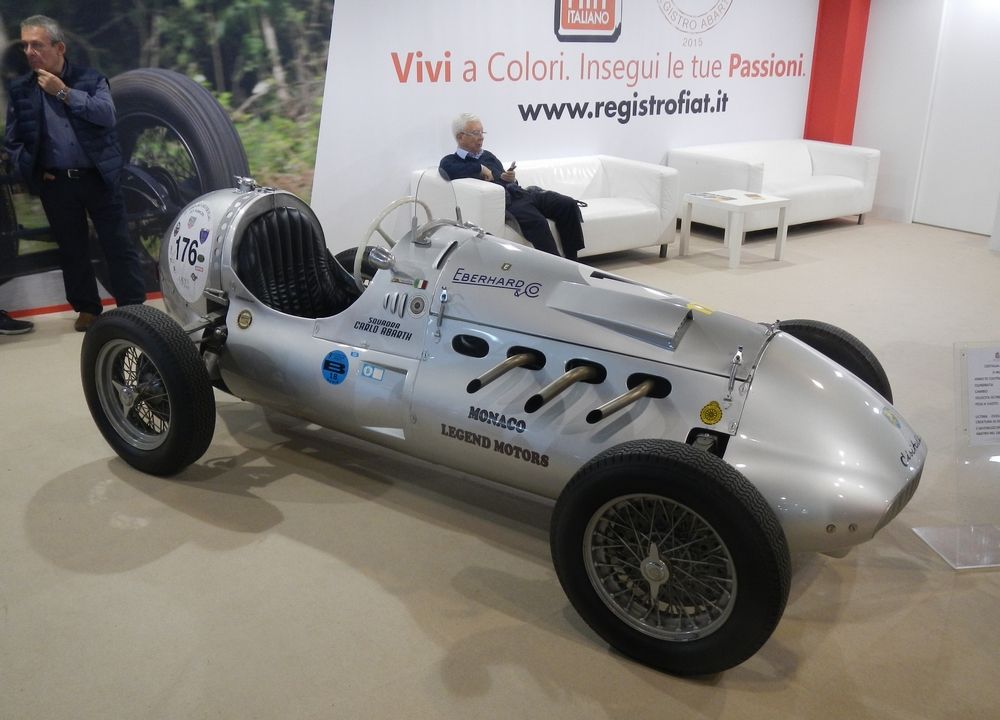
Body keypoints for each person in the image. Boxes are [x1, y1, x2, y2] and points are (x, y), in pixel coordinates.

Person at [3, 15, 144, 332]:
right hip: (57, 183)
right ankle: (87, 309)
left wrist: (63, 92)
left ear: (59, 48)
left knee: (118, 244)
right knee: (72, 249)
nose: (29, 52)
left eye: (37, 45)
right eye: (25, 45)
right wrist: (35, 172)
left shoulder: (90, 79)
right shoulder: (21, 89)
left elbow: (106, 115)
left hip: (98, 176)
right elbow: (13, 142)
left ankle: (133, 306)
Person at [439, 113, 584, 260]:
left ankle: (573, 260)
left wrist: (509, 178)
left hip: (522, 193)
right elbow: (448, 170)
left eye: (482, 132)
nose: (481, 137)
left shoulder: (488, 155)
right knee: (538, 221)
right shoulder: (451, 161)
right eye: (476, 133)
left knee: (567, 204)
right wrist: (480, 168)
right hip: (508, 203)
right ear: (460, 137)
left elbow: (501, 176)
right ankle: (556, 266)